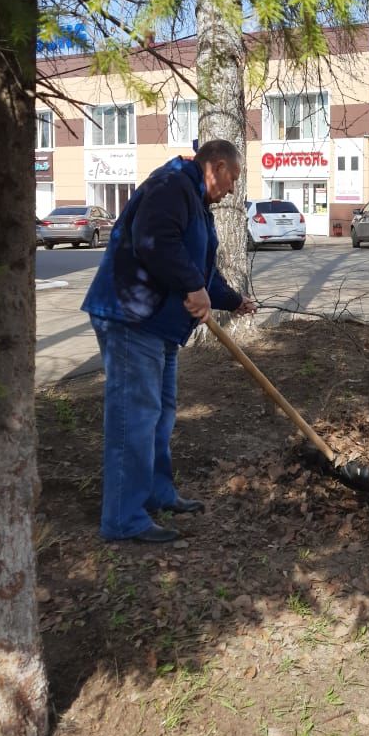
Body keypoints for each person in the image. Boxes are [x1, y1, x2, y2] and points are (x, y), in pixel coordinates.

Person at [82, 139, 256, 543]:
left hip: (157, 325)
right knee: (134, 417)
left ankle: (156, 494)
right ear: (215, 165)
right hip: (131, 317)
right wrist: (194, 285)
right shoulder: (172, 185)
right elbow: (155, 241)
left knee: (160, 413)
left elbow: (197, 267)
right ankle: (123, 519)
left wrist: (233, 300)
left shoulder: (194, 199)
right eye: (233, 178)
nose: (232, 189)